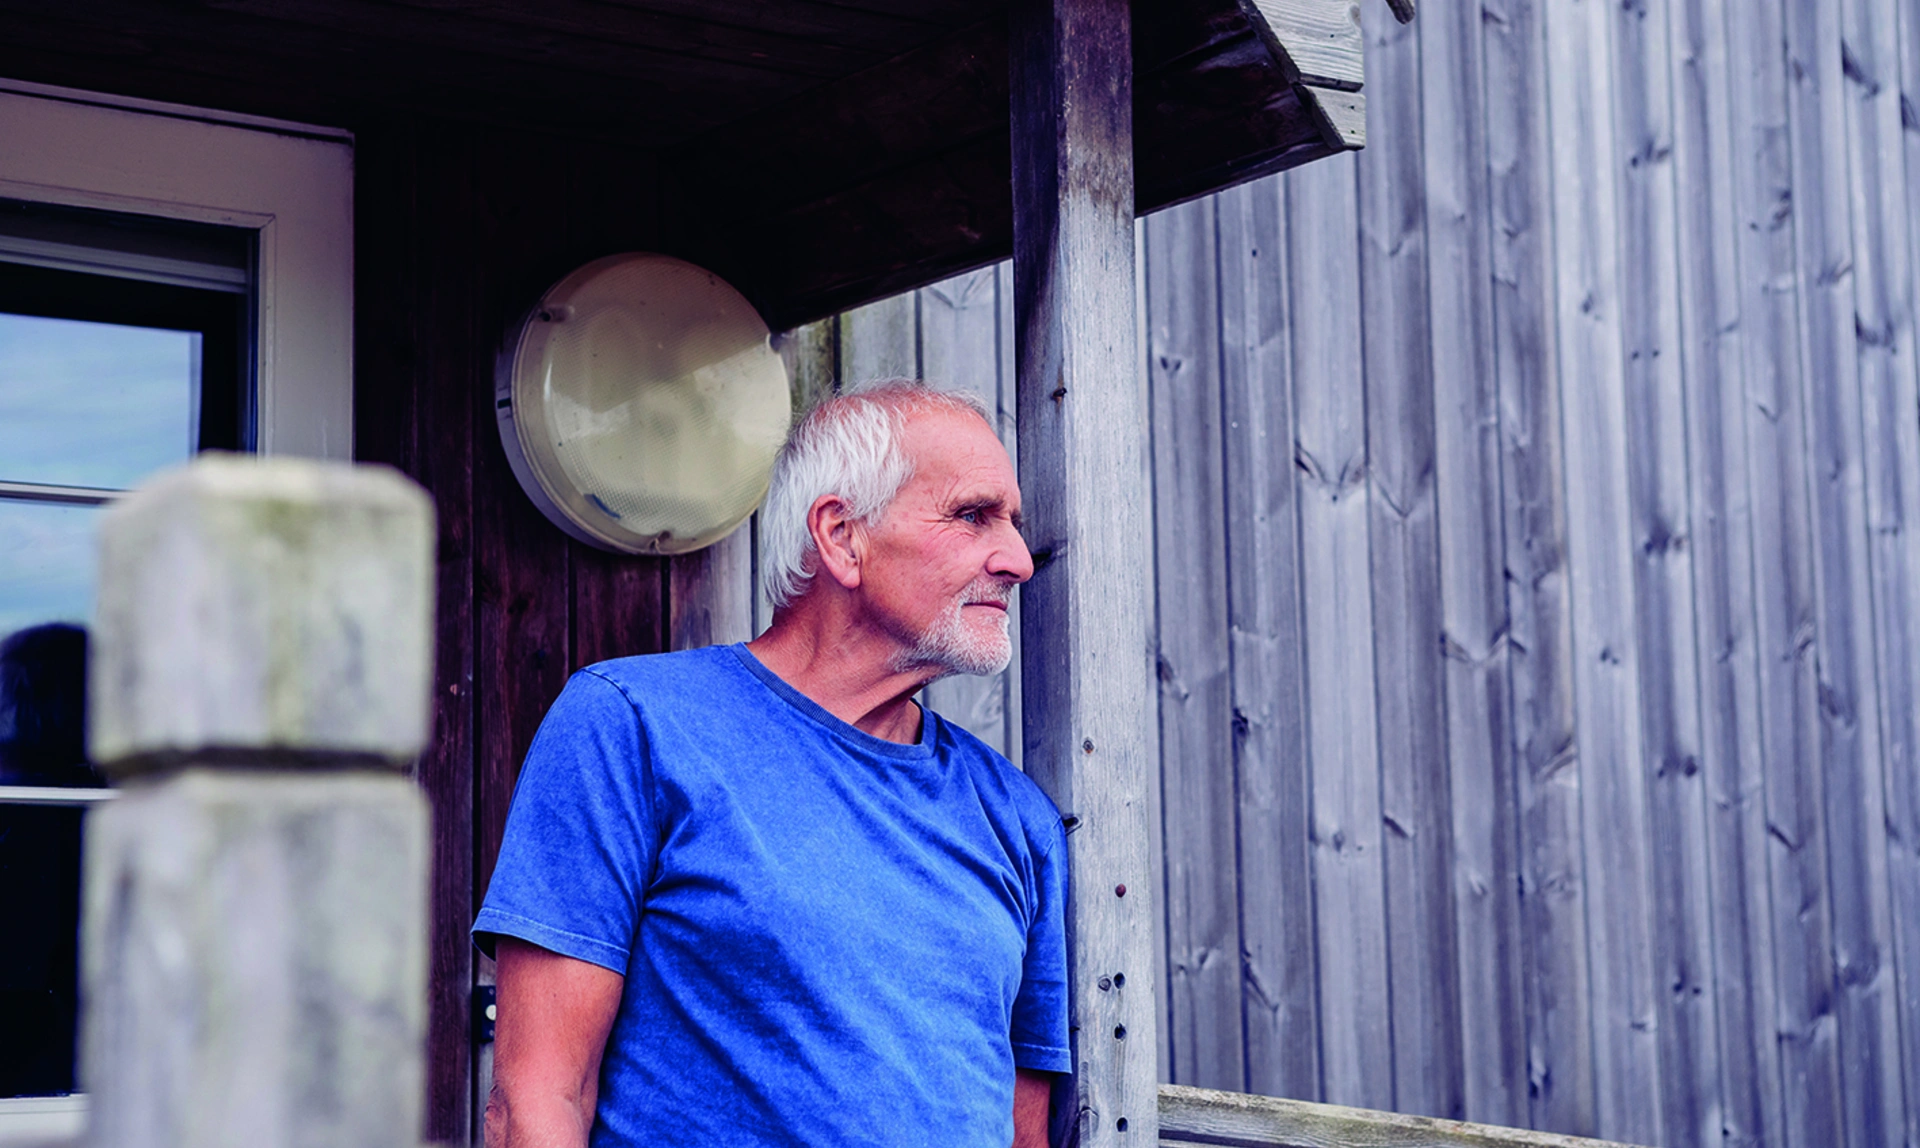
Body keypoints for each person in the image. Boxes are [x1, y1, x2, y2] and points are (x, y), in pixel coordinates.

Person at [474, 380, 1068, 1148]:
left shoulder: (1018, 820)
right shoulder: (631, 724)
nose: (1019, 559)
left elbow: (1023, 1132)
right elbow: (536, 1102)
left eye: (1014, 524)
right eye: (972, 515)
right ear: (841, 535)